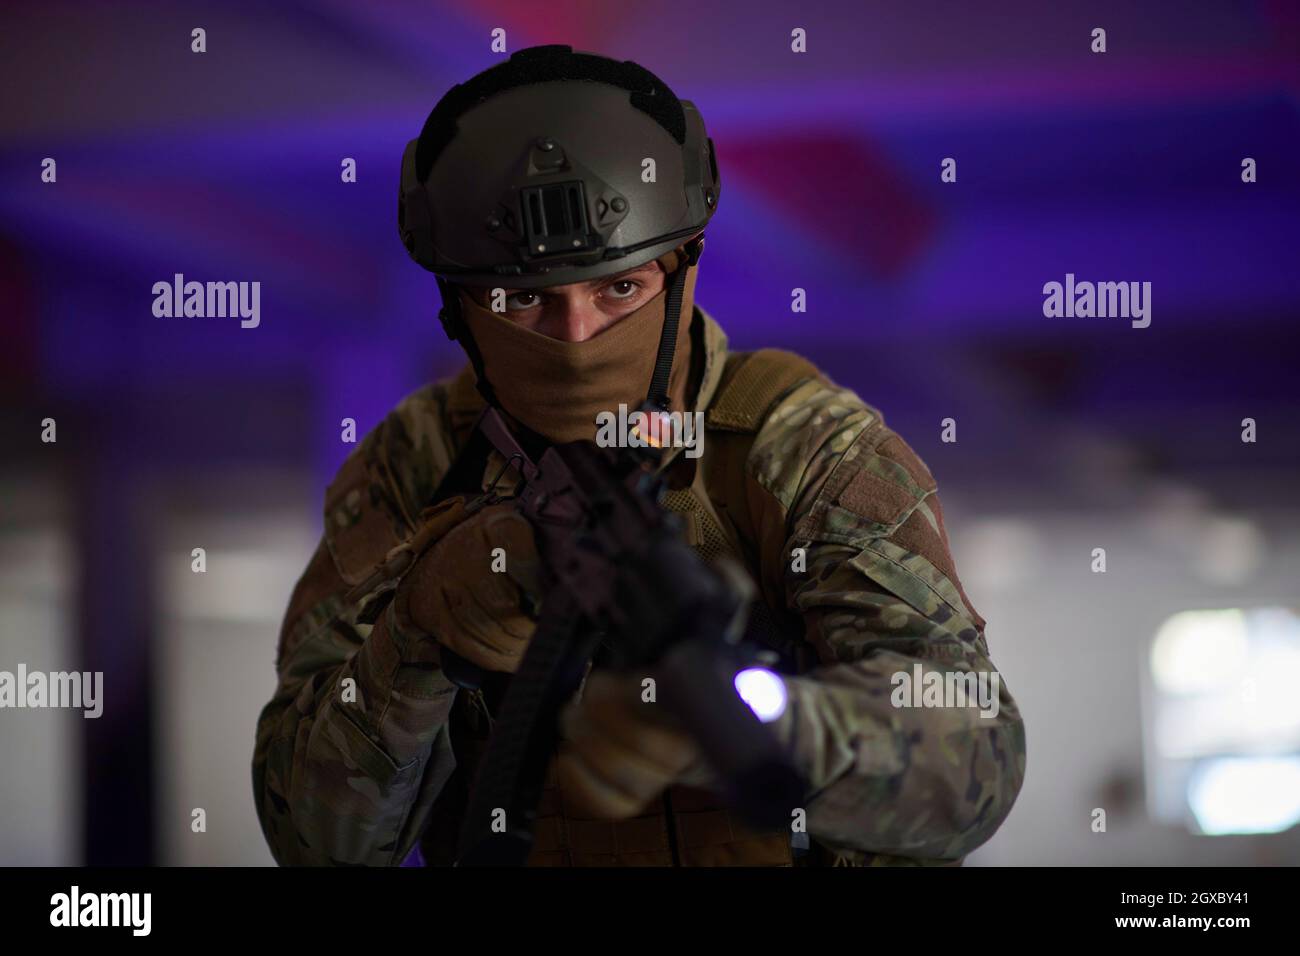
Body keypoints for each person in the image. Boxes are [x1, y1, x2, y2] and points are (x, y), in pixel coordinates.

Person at [252, 44, 1025, 867]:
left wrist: (771, 725)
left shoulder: (802, 448)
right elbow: (314, 840)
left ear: (681, 271)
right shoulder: (414, 464)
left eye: (620, 288)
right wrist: (415, 635)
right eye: (523, 301)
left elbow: (975, 752)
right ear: (460, 309)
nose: (578, 339)